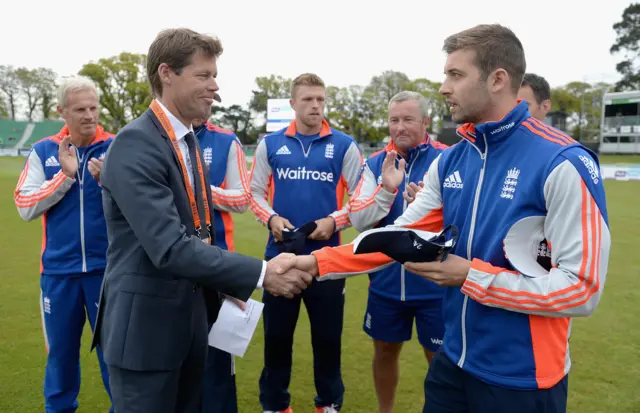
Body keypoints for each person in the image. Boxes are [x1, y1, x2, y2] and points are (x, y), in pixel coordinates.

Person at [287, 24, 611, 413]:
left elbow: (582, 289)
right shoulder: (453, 159)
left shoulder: (563, 162)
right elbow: (398, 236)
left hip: (523, 379)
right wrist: (314, 261)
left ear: (497, 80)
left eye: (455, 75)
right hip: (452, 366)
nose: (443, 87)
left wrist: (469, 276)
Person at [91, 28, 313, 413]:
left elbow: (198, 231)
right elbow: (170, 247)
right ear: (167, 73)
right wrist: (263, 273)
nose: (215, 86)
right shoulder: (134, 144)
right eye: (204, 75)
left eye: (215, 75)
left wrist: (222, 281)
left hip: (189, 324)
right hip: (146, 332)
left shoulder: (187, 139)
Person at [249, 73, 363, 413]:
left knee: (327, 341)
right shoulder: (271, 144)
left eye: (320, 99)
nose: (315, 105)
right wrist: (270, 218)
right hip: (280, 261)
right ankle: (274, 404)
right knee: (276, 340)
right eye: (308, 99)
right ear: (293, 104)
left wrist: (335, 221)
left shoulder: (344, 145)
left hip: (329, 261)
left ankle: (328, 403)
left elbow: (360, 198)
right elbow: (254, 193)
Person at [14, 75, 115, 413]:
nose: (89, 115)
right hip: (58, 275)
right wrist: (66, 176)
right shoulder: (44, 151)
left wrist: (110, 181)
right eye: (80, 109)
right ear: (62, 111)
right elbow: (25, 206)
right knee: (60, 360)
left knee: (116, 359)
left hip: (108, 273)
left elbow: (142, 205)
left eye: (93, 107)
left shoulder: (118, 147)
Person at [346, 90, 448, 413]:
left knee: (441, 361)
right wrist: (387, 191)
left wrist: (432, 208)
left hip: (435, 283)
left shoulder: (448, 158)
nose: (400, 127)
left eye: (408, 119)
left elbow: (464, 221)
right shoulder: (376, 163)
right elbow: (359, 220)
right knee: (385, 352)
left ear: (426, 121)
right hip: (386, 282)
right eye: (394, 120)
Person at [193, 115, 252, 413]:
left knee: (217, 365)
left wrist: (197, 188)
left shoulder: (226, 141)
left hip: (217, 269)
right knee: (169, 364)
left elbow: (243, 198)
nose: (207, 96)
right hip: (165, 270)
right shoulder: (151, 135)